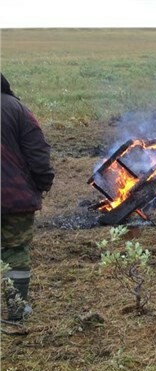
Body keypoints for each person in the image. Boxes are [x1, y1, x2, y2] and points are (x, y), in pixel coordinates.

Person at [1, 73, 54, 325]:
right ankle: (16, 312)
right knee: (15, 250)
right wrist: (43, 183)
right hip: (13, 196)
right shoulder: (17, 109)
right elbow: (38, 152)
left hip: (12, 195)